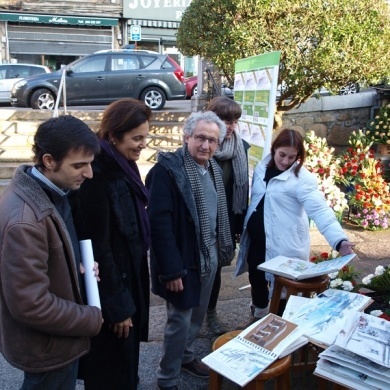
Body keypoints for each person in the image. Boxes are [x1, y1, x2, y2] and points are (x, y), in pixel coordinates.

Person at [0, 115, 103, 389]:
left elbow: (50, 256)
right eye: (79, 165)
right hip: (48, 348)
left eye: (90, 163)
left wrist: (78, 265)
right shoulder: (26, 220)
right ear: (48, 161)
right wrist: (90, 319)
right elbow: (31, 304)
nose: (89, 174)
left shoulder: (48, 191)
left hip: (53, 340)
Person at [146, 111, 234, 390]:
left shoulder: (214, 170)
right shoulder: (166, 172)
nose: (206, 146)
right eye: (200, 138)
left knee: (197, 315)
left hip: (208, 256)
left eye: (212, 140)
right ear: (186, 137)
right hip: (182, 260)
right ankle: (167, 377)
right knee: (179, 320)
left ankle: (186, 356)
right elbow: (159, 226)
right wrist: (171, 270)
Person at [235, 128, 355, 329]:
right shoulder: (262, 168)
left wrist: (339, 240)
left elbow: (320, 210)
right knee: (256, 281)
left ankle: (278, 329)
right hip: (257, 242)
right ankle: (258, 319)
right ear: (274, 150)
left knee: (282, 290)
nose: (285, 161)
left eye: (292, 157)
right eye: (282, 155)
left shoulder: (302, 179)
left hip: (285, 245)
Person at [71, 98, 151, 389]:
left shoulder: (123, 164)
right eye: (137, 138)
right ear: (114, 136)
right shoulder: (97, 176)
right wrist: (118, 307)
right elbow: (96, 247)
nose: (143, 144)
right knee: (112, 370)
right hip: (112, 291)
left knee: (125, 366)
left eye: (146, 136)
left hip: (127, 278)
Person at [205, 96, 250, 335]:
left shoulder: (240, 148)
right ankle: (194, 313)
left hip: (225, 222)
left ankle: (210, 312)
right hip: (201, 220)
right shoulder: (201, 145)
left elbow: (242, 190)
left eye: (234, 121)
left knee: (217, 268)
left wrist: (239, 226)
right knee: (199, 269)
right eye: (225, 120)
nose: (231, 126)